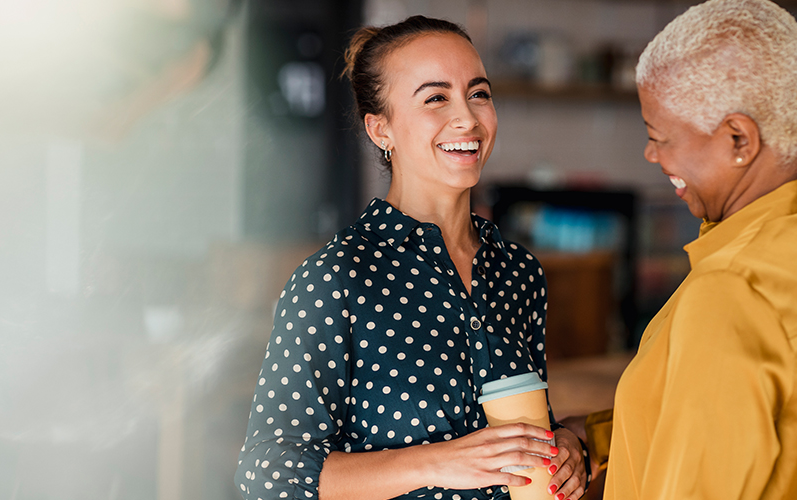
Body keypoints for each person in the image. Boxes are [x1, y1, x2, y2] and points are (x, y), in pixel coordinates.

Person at [234, 16, 588, 500]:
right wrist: (439, 462)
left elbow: (524, 430)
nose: (467, 118)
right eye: (435, 98)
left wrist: (569, 444)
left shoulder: (519, 272)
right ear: (381, 130)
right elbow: (269, 474)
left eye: (479, 93)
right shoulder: (337, 278)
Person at [562, 0, 797, 498]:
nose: (651, 154)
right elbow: (759, 419)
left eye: (659, 136)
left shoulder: (733, 293)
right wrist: (606, 435)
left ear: (739, 139)